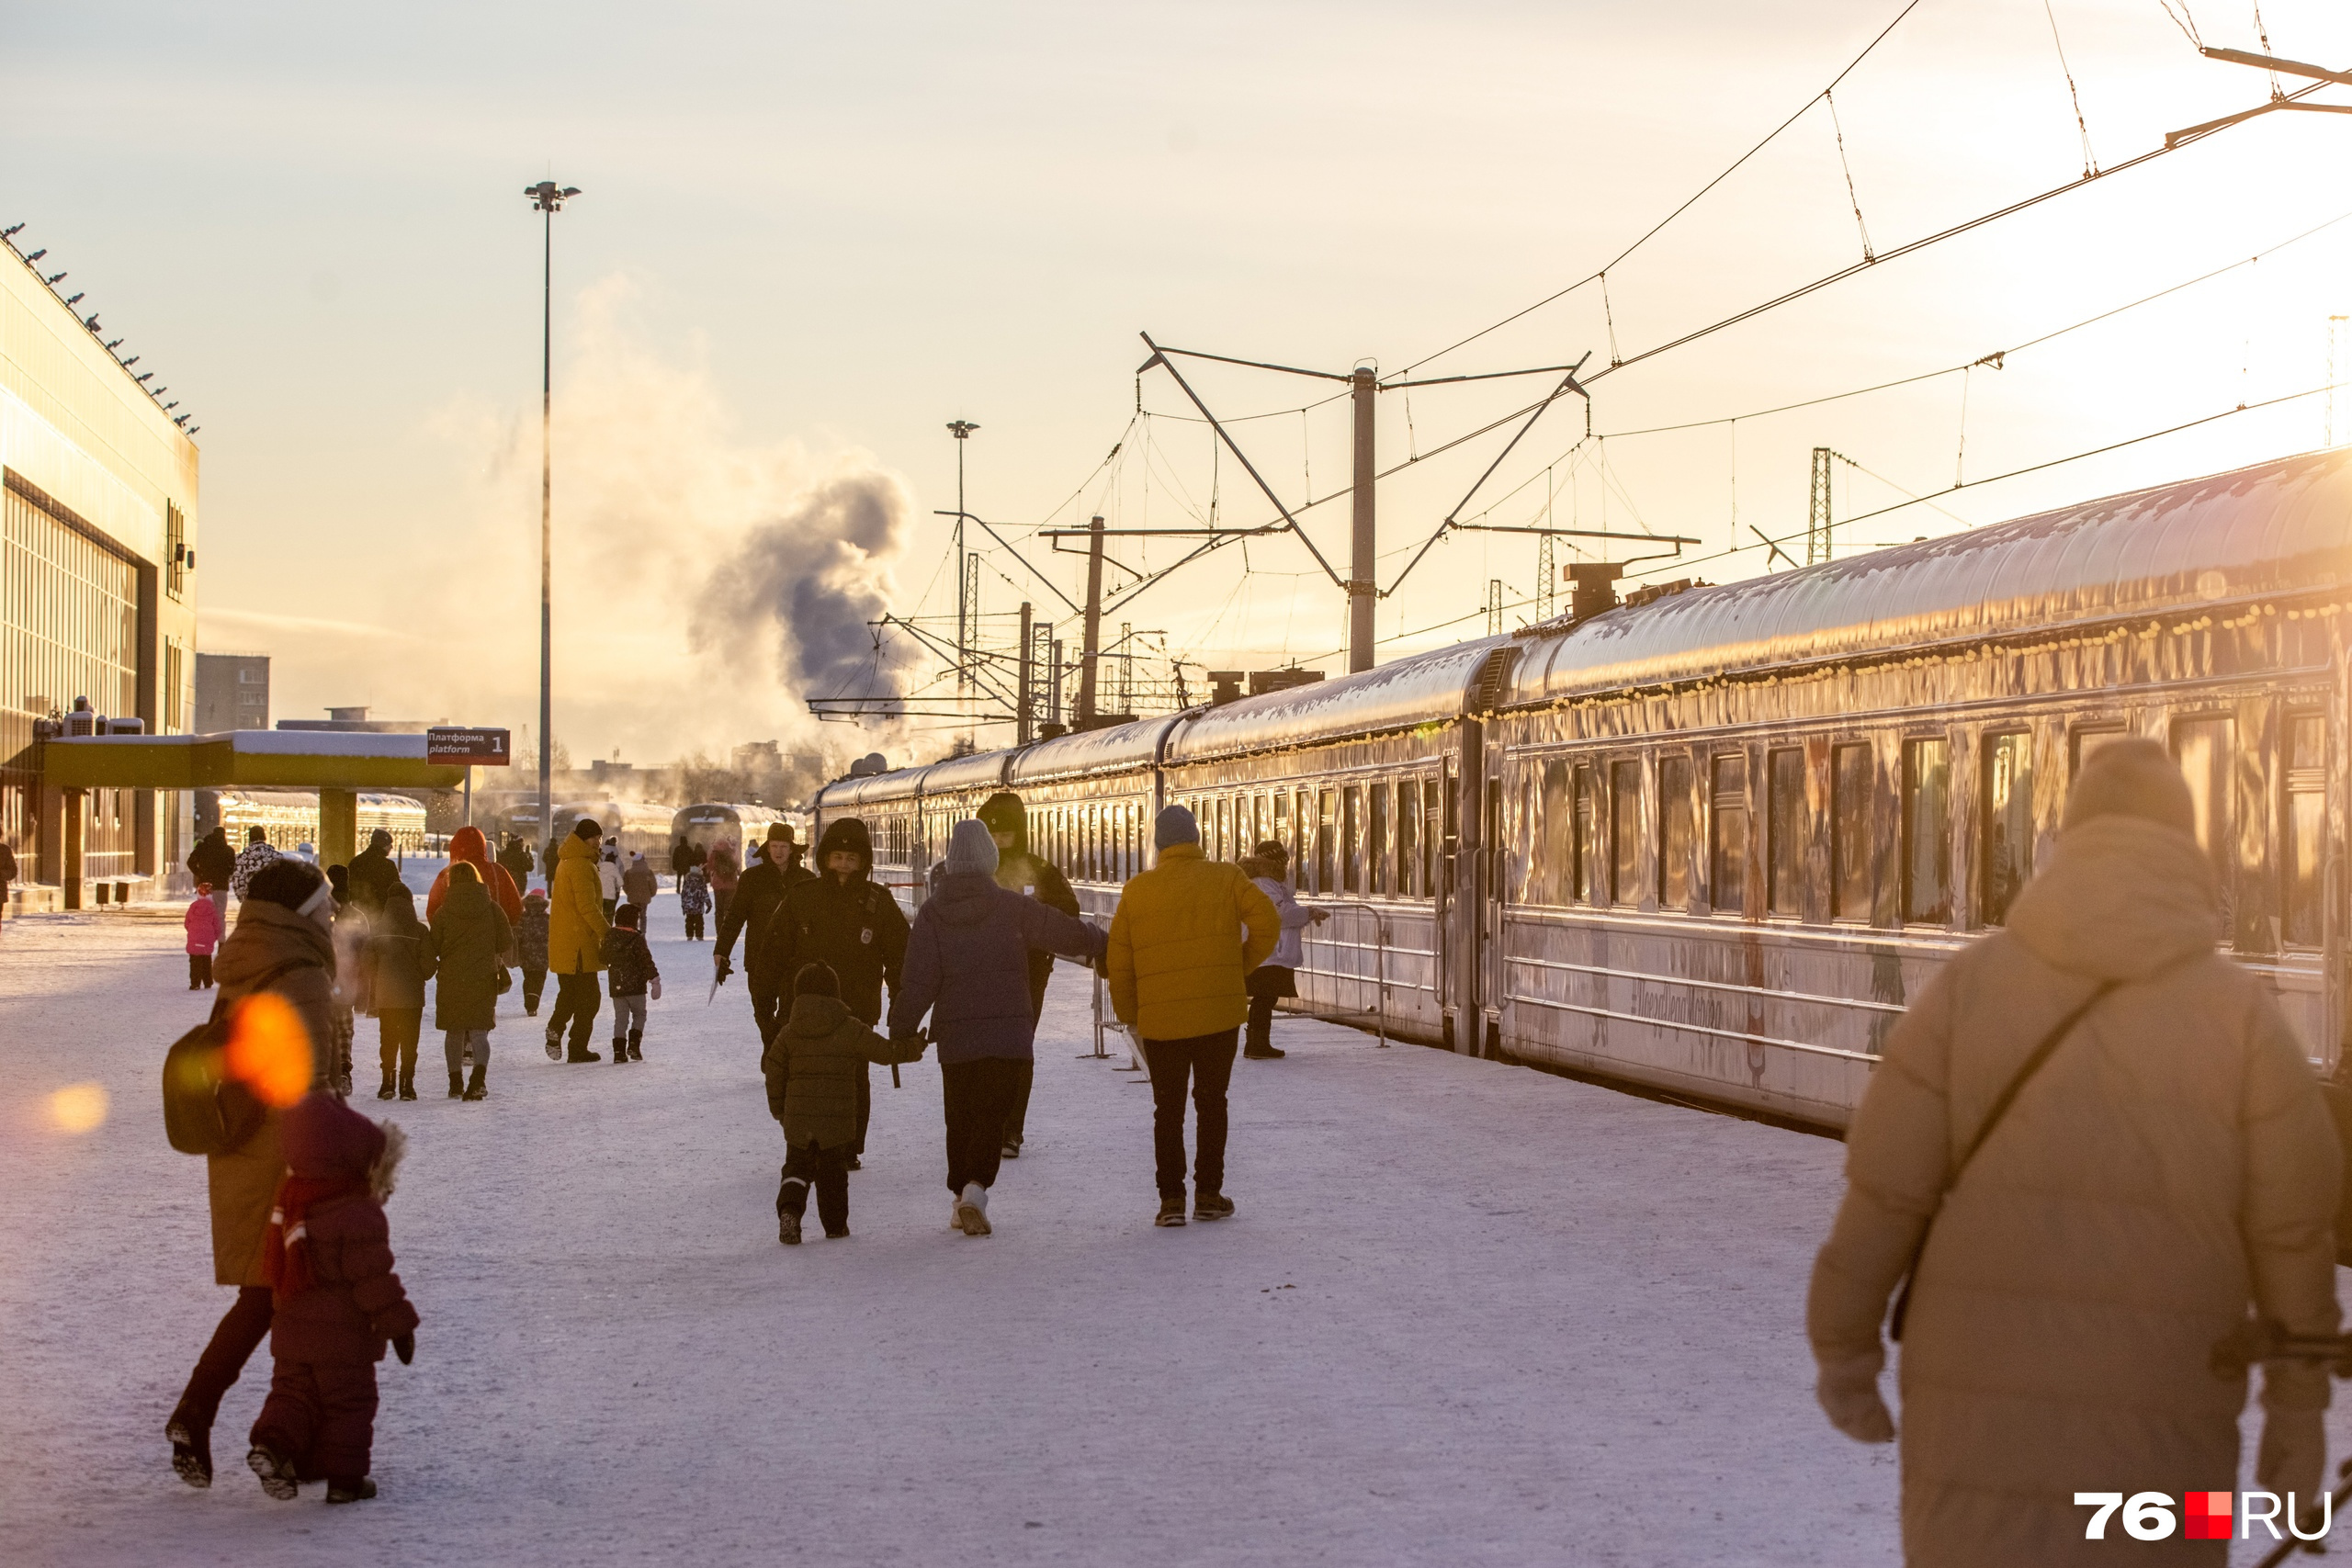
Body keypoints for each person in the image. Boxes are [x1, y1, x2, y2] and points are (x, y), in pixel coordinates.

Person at [1807, 739, 2341, 1565]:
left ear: (2069, 839)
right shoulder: (2243, 1019)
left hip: (1972, 1435)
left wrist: (1844, 1353)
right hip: (2169, 1429)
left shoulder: (1967, 990)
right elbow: (2293, 1237)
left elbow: (1883, 1197)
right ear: (2186, 850)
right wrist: (2296, 1417)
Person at [166, 856, 336, 1491]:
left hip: (238, 1147)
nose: (334, 914)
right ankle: (284, 1441)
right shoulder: (303, 973)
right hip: (292, 1157)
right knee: (309, 1299)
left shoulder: (246, 961)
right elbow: (313, 1086)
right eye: (326, 905)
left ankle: (198, 1410)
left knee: (263, 1296)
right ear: (305, 912)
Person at [891, 820, 1105, 1236]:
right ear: (990, 862)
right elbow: (1065, 931)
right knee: (992, 1114)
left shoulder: (932, 913)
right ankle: (974, 1191)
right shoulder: (1012, 906)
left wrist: (901, 1025)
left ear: (951, 863)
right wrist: (1104, 944)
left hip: (955, 1038)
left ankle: (959, 1199)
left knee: (960, 1115)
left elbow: (918, 980)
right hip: (1008, 1035)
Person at [1106, 805, 1279, 1228]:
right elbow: (1269, 924)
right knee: (1211, 1103)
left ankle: (1170, 1201)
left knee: (1167, 1110)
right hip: (1219, 1015)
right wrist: (1237, 969)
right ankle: (1208, 1194)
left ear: (1159, 844)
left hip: (1161, 1021)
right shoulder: (1228, 877)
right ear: (1196, 839)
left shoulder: (1137, 890)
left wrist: (1131, 1016)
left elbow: (1120, 963)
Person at [244, 1090, 418, 1505]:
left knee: (292, 1395)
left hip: (292, 1327)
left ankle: (274, 1446)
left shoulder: (291, 1199)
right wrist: (400, 1325)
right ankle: (345, 1481)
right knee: (349, 1403)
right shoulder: (357, 1210)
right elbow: (372, 1278)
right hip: (344, 1340)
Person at [757, 818, 908, 1169]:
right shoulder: (802, 897)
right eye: (837, 857)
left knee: (855, 1078)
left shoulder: (879, 903)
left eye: (851, 859)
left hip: (857, 1008)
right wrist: (764, 1005)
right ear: (825, 858)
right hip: (803, 1010)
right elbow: (773, 953)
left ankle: (849, 1146)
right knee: (806, 1079)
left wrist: (900, 1002)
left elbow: (902, 956)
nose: (843, 865)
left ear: (863, 862)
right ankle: (806, 1138)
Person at [764, 963, 926, 1244]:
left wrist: (780, 1109)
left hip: (799, 1120)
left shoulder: (789, 1033)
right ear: (835, 993)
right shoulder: (849, 1028)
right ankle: (836, 1226)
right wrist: (913, 1047)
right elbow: (884, 1052)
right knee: (833, 1175)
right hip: (836, 1120)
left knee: (796, 1168)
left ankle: (790, 1211)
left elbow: (774, 1070)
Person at [975, 791, 1080, 1159]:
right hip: (981, 973)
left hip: (1028, 971)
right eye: (992, 835)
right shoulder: (973, 872)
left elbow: (1069, 910)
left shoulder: (1041, 870)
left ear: (1019, 834)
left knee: (1019, 1049)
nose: (999, 842)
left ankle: (1011, 1129)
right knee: (985, 1050)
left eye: (1005, 835)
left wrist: (1038, 916)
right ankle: (989, 1122)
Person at [717, 824, 816, 1051]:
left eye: (783, 846)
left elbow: (816, 921)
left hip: (794, 958)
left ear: (792, 849)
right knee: (762, 1010)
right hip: (759, 957)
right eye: (774, 846)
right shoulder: (752, 879)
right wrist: (721, 951)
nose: (779, 851)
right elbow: (734, 917)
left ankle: (778, 1053)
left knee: (789, 1012)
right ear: (767, 848)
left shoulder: (806, 879)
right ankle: (772, 1045)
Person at [425, 861, 513, 1100]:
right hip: (483, 977)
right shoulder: (492, 908)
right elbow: (507, 941)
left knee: (454, 1031)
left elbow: (433, 945)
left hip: (451, 978)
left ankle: (455, 1084)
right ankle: (478, 1080)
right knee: (478, 1031)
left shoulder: (443, 912)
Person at [1243, 841, 1325, 1059]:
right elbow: (1278, 913)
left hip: (1270, 950)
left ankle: (1255, 1044)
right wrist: (1308, 913)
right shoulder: (1264, 883)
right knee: (1265, 997)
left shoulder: (1265, 882)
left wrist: (1309, 914)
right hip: (1270, 951)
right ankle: (1257, 1045)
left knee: (1265, 998)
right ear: (1275, 862)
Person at [545, 819, 609, 1063]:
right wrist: (608, 933)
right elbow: (587, 907)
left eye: (600, 838)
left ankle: (558, 1029)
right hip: (579, 944)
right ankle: (576, 1046)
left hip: (566, 941)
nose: (598, 843)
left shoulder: (566, 861)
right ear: (583, 839)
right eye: (595, 838)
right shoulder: (581, 865)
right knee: (590, 999)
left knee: (570, 993)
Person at [362, 886, 431, 1101]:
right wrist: (416, 974)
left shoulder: (377, 929)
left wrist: (381, 977)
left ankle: (387, 1082)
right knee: (410, 1041)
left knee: (388, 1039)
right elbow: (428, 966)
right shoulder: (420, 931)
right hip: (412, 997)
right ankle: (407, 1084)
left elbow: (367, 963)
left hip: (386, 995)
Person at [425, 825, 523, 925]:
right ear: (482, 845)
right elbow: (515, 908)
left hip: (453, 938)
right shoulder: (497, 872)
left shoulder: (447, 875)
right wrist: (503, 930)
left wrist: (446, 934)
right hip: (491, 937)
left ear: (454, 847)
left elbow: (433, 911)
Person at [601, 904, 660, 1064]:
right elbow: (646, 961)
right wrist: (654, 979)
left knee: (620, 1018)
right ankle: (634, 1045)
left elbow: (602, 958)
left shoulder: (610, 936)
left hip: (617, 985)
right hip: (636, 986)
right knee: (639, 1014)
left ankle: (619, 1052)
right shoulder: (637, 938)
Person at [344, 829, 404, 914]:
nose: (392, 847)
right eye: (389, 844)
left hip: (359, 911)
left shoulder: (356, 862)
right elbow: (397, 889)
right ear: (381, 844)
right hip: (382, 912)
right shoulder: (388, 865)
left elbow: (348, 887)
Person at [187, 825, 235, 927]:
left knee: (203, 914)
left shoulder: (203, 848)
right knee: (220, 915)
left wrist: (199, 873)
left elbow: (190, 862)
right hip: (221, 885)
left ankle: (204, 938)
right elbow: (233, 868)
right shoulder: (228, 851)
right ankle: (221, 940)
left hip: (204, 884)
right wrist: (226, 874)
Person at [514, 887, 550, 1015]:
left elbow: (518, 935)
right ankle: (533, 1004)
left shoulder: (522, 918)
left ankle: (529, 1002)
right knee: (539, 979)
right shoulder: (548, 919)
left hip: (526, 954)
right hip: (543, 955)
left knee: (528, 978)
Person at [186, 882, 224, 989]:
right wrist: (213, 937)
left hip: (194, 939)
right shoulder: (213, 908)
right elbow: (217, 926)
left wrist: (192, 932)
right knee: (206, 960)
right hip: (207, 939)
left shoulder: (193, 906)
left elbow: (187, 922)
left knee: (194, 962)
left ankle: (195, 983)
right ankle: (208, 981)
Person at [230, 827, 280, 903]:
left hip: (251, 900)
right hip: (271, 901)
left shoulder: (243, 858)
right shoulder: (275, 856)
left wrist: (242, 898)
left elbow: (237, 879)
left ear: (250, 838)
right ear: (264, 836)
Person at [707, 844, 740, 940]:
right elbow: (737, 863)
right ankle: (728, 933)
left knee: (719, 911)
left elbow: (710, 866)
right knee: (729, 910)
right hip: (731, 885)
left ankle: (719, 933)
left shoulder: (714, 852)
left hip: (718, 885)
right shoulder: (731, 851)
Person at [678, 863, 711, 942]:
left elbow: (683, 895)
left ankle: (689, 935)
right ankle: (699, 935)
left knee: (689, 921)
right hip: (698, 906)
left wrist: (683, 906)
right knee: (699, 921)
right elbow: (704, 894)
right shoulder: (701, 883)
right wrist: (708, 903)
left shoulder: (687, 883)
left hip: (688, 906)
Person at [497, 832, 536, 897]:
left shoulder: (504, 854)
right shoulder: (521, 855)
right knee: (517, 902)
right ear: (519, 843)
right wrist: (529, 856)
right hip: (519, 884)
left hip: (506, 882)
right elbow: (530, 867)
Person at [622, 851, 656, 917]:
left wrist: (629, 893)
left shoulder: (629, 873)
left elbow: (625, 885)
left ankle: (634, 926)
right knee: (643, 915)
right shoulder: (648, 872)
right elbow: (653, 885)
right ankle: (643, 927)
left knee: (634, 915)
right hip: (645, 896)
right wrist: (651, 894)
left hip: (633, 897)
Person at [597, 841, 624, 921]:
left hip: (600, 894)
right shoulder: (616, 864)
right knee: (609, 915)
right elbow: (621, 882)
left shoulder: (599, 864)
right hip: (611, 896)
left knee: (599, 914)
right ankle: (608, 931)